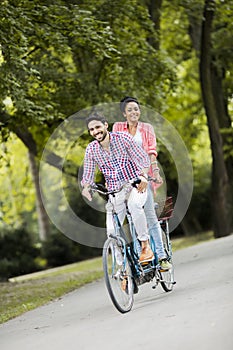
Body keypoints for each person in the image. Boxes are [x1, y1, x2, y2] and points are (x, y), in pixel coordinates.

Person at [81, 112, 154, 263]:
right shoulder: (91, 149)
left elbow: (142, 159)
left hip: (135, 184)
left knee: (134, 206)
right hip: (115, 192)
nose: (95, 132)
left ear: (106, 125)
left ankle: (145, 246)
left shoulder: (123, 138)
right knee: (112, 232)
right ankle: (123, 270)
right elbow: (88, 173)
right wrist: (87, 187)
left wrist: (144, 177)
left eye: (98, 127)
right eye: (92, 130)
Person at [112, 96, 172, 270]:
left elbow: (152, 152)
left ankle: (161, 258)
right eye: (130, 110)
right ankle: (141, 259)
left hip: (144, 177)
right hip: (125, 178)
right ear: (124, 113)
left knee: (150, 218)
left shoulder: (147, 129)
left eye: (136, 109)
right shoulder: (117, 128)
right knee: (132, 218)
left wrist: (155, 172)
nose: (134, 112)